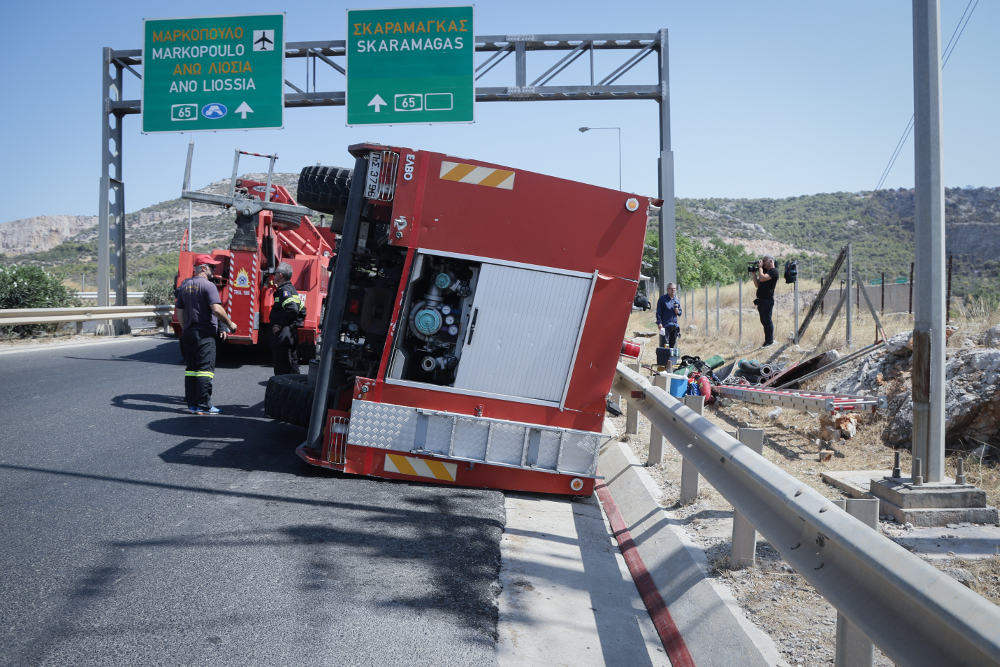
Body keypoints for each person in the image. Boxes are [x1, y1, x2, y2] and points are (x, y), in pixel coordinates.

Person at [174, 254, 237, 415]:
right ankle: (204, 405)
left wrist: (185, 328)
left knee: (191, 369)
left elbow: (179, 311)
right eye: (212, 267)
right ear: (203, 268)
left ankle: (192, 405)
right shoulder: (208, 286)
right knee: (204, 370)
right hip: (204, 334)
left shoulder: (184, 286)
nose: (214, 270)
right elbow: (216, 309)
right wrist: (230, 324)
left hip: (188, 333)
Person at [269, 262, 306, 375]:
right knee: (292, 367)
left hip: (283, 335)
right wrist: (294, 325)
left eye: (275, 274)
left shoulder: (283, 291)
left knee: (283, 370)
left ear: (280, 275)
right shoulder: (292, 289)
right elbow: (302, 310)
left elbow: (293, 309)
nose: (273, 276)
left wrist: (280, 325)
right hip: (290, 333)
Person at [751, 255, 779, 347]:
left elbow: (763, 278)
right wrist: (754, 274)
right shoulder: (765, 271)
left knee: (767, 320)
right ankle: (767, 341)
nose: (763, 263)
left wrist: (760, 268)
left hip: (767, 300)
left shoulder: (773, 271)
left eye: (764, 261)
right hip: (761, 300)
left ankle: (770, 341)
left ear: (771, 261)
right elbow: (757, 285)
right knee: (763, 321)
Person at [655, 282, 682, 348]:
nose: (673, 290)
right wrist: (659, 323)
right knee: (665, 345)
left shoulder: (676, 300)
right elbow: (658, 312)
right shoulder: (662, 299)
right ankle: (665, 357)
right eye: (671, 289)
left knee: (672, 345)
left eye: (674, 289)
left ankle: (670, 358)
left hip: (674, 326)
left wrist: (677, 311)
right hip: (665, 326)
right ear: (667, 289)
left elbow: (680, 313)